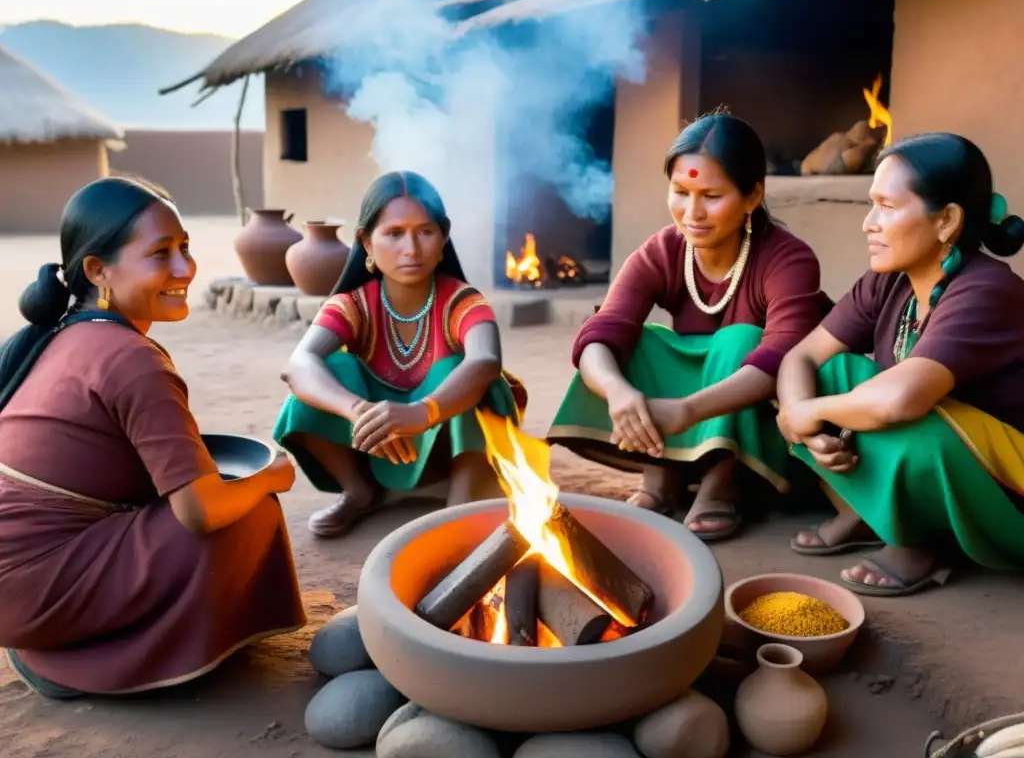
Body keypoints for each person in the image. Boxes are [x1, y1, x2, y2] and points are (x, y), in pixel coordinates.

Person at [0, 178, 305, 699]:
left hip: (17, 586)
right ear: (97, 270)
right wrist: (271, 477)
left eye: (185, 246)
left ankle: (60, 640)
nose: (185, 268)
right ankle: (98, 660)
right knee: (250, 513)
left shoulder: (62, 331)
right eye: (161, 253)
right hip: (34, 594)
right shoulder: (132, 358)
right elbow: (198, 513)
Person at [548, 112, 830, 542]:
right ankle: (659, 477)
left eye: (712, 195)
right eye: (681, 192)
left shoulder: (788, 259)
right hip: (682, 420)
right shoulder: (663, 249)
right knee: (640, 342)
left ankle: (724, 480)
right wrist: (619, 393)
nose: (692, 212)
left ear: (753, 195)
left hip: (767, 425)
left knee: (741, 339)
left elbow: (780, 360)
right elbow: (601, 333)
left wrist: (686, 411)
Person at [777, 132, 1024, 597]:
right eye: (872, 205)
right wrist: (800, 419)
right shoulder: (889, 283)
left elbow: (902, 398)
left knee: (911, 412)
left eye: (887, 207)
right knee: (832, 377)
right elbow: (802, 355)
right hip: (949, 459)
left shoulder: (988, 290)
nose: (869, 223)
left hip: (1010, 494)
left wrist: (803, 414)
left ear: (947, 220)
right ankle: (867, 512)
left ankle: (915, 542)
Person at [275, 171, 527, 537]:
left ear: (443, 239)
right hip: (375, 444)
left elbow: (486, 359)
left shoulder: (462, 300)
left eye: (425, 231)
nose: (411, 248)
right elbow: (298, 364)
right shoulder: (353, 305)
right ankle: (359, 491)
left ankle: (459, 506)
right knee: (325, 373)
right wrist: (360, 412)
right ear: (366, 241)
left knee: (470, 376)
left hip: (443, 442)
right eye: (394, 233)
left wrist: (420, 413)